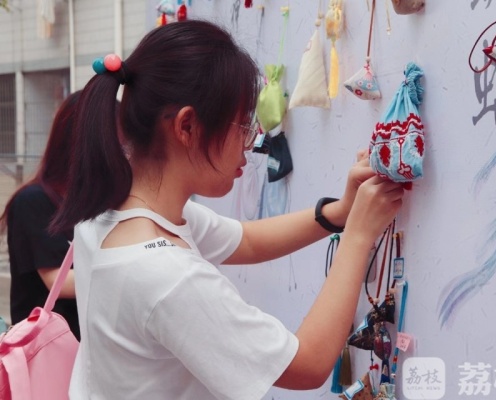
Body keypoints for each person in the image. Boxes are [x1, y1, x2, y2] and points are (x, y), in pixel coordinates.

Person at [50, 20, 408, 399]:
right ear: (187, 126)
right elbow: (308, 365)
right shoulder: (168, 276)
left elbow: (247, 240)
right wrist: (358, 236)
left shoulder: (115, 212)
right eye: (242, 126)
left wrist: (342, 212)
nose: (250, 145)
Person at [0, 91, 82, 340]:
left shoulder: (97, 201)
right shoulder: (33, 201)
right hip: (48, 351)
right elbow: (59, 282)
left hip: (88, 350)